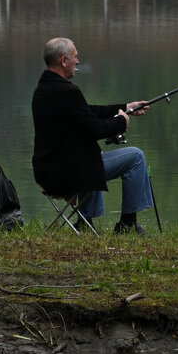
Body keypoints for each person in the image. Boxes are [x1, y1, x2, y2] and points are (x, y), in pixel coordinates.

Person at [31, 37, 153, 235]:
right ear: (63, 60)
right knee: (136, 157)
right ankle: (127, 225)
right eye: (75, 57)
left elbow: (86, 112)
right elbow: (94, 129)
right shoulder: (66, 91)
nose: (77, 62)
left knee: (90, 153)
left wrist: (125, 108)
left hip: (47, 171)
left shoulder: (43, 89)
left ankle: (85, 222)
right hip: (68, 174)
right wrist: (121, 122)